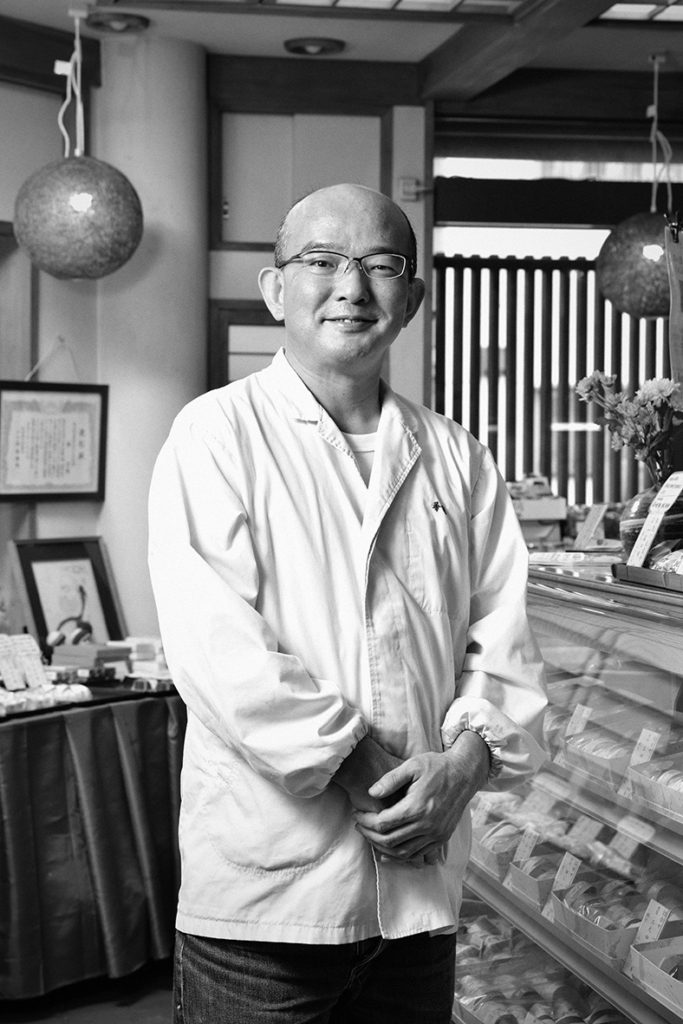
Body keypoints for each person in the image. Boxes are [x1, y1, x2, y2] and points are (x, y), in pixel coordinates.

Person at [148, 183, 548, 1024]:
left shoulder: (456, 455)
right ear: (275, 290)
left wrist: (464, 768)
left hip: (419, 900)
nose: (351, 287)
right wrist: (384, 783)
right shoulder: (215, 434)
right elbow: (221, 655)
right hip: (269, 906)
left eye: (380, 265)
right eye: (322, 261)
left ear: (414, 297)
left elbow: (502, 634)